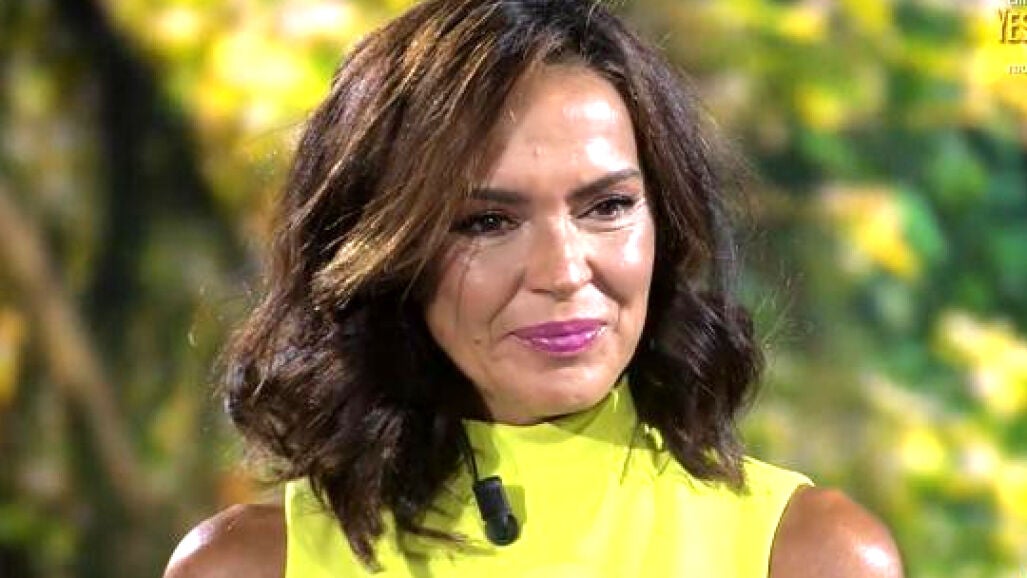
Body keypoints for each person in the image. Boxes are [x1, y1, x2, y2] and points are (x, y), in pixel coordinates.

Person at [164, 0, 904, 576]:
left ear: (666, 224)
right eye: (486, 222)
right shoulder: (248, 567)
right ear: (387, 252)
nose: (562, 271)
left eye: (607, 206)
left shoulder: (813, 556)